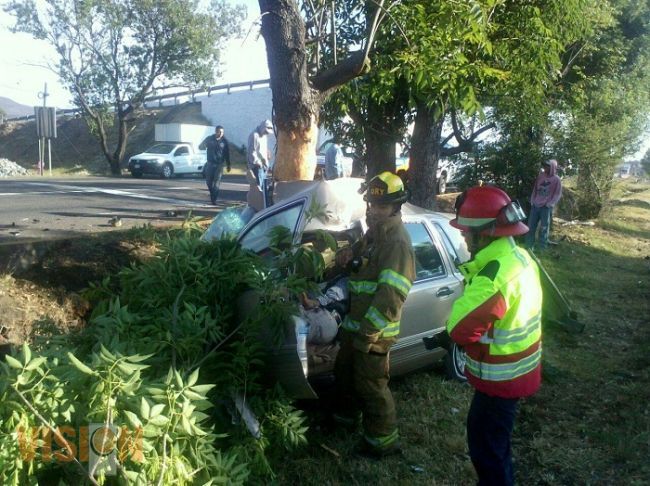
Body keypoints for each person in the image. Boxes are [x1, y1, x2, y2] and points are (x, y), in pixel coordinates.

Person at [446, 185, 543, 485]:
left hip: (500, 381)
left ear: (485, 233)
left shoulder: (494, 276)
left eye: (466, 233)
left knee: (487, 450)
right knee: (496, 446)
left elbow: (460, 328)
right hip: (517, 372)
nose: (463, 237)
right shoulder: (520, 257)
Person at [333, 171, 415, 457]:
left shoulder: (397, 243)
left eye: (382, 206)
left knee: (372, 388)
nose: (375, 211)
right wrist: (347, 254)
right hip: (355, 326)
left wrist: (369, 332)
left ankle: (381, 443)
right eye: (372, 205)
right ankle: (345, 421)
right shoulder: (373, 235)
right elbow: (359, 262)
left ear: (395, 207)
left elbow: (391, 295)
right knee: (343, 374)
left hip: (375, 332)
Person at [526, 158, 562, 250]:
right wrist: (532, 200)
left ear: (553, 167)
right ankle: (529, 246)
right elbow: (535, 189)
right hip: (535, 206)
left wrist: (549, 204)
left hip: (546, 208)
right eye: (545, 166)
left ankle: (542, 248)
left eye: (547, 166)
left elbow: (557, 194)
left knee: (544, 228)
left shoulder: (556, 180)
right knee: (531, 226)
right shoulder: (540, 176)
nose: (545, 168)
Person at [199, 125, 230, 204]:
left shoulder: (224, 141)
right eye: (219, 132)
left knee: (216, 183)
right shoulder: (209, 139)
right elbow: (200, 146)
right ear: (216, 131)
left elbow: (227, 154)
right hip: (210, 164)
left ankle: (214, 200)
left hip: (219, 165)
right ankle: (212, 194)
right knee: (208, 182)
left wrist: (228, 164)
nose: (221, 133)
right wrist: (204, 146)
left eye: (222, 132)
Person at [247, 119, 274, 188]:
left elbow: (262, 147)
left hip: (264, 164)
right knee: (259, 187)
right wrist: (258, 163)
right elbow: (251, 152)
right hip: (257, 166)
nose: (267, 133)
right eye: (266, 131)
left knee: (263, 186)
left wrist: (267, 152)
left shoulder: (264, 136)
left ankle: (262, 198)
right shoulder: (254, 135)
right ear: (263, 128)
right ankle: (258, 198)